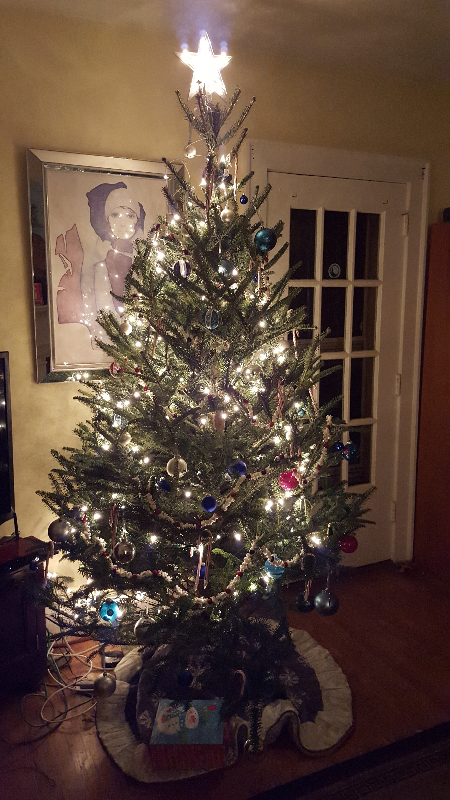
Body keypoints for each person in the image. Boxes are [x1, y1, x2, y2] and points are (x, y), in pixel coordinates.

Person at [56, 181, 145, 348]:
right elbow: (89, 314)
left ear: (137, 221)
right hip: (104, 350)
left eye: (130, 215)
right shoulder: (96, 269)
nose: (123, 222)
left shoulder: (144, 268)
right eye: (115, 214)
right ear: (106, 220)